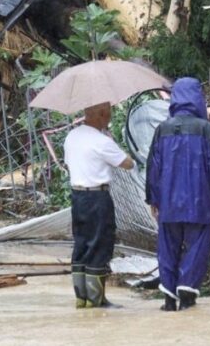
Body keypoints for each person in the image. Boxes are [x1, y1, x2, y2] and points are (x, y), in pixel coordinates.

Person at [145, 77, 210, 311]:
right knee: (198, 246)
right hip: (199, 202)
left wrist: (153, 199)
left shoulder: (162, 129)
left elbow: (153, 168)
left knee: (167, 248)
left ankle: (169, 299)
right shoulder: (206, 129)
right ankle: (187, 290)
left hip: (168, 203)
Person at [63, 101, 134, 309]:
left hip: (77, 196)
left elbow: (68, 163)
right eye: (109, 114)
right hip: (97, 197)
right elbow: (127, 164)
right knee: (100, 243)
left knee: (82, 243)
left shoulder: (72, 136)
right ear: (101, 115)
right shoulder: (102, 141)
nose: (109, 118)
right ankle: (96, 300)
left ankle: (82, 298)